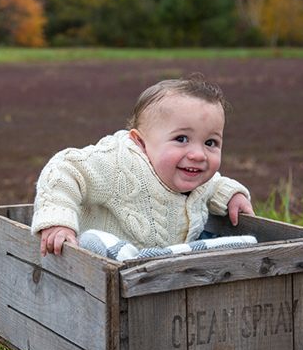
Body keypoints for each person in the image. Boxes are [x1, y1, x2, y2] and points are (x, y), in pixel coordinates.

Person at [31, 74, 254, 257]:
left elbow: (212, 184)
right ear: (141, 142)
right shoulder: (118, 164)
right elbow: (64, 169)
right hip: (102, 270)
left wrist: (231, 195)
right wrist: (58, 221)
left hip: (159, 275)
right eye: (181, 139)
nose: (198, 155)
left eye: (210, 143)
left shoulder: (192, 173)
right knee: (95, 243)